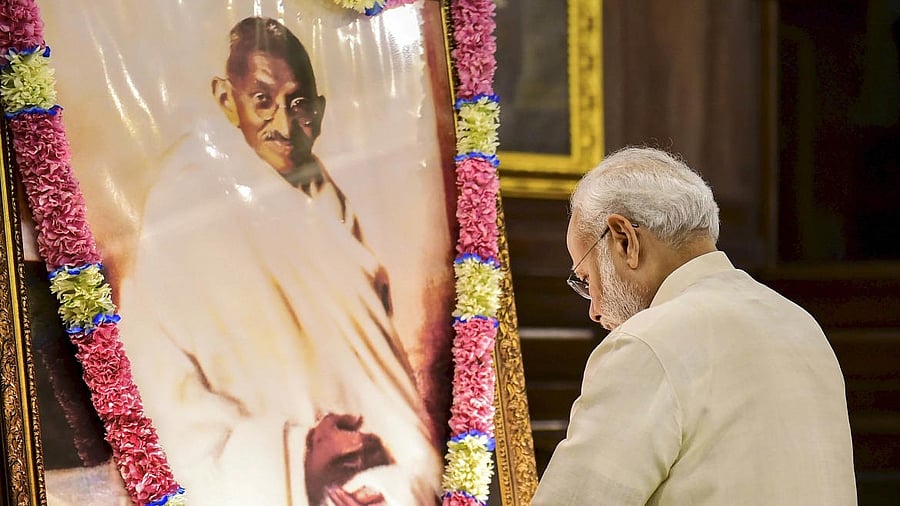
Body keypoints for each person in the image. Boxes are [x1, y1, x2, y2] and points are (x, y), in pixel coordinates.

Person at [115, 16, 440, 506]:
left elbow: (385, 393)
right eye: (262, 100)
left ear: (321, 111)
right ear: (227, 99)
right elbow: (167, 397)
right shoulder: (186, 202)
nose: (285, 125)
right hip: (270, 480)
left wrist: (395, 483)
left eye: (300, 105)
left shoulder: (330, 207)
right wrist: (299, 456)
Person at [531, 147, 856, 505]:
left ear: (624, 239)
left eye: (586, 279)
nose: (593, 309)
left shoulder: (646, 343)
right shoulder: (801, 324)